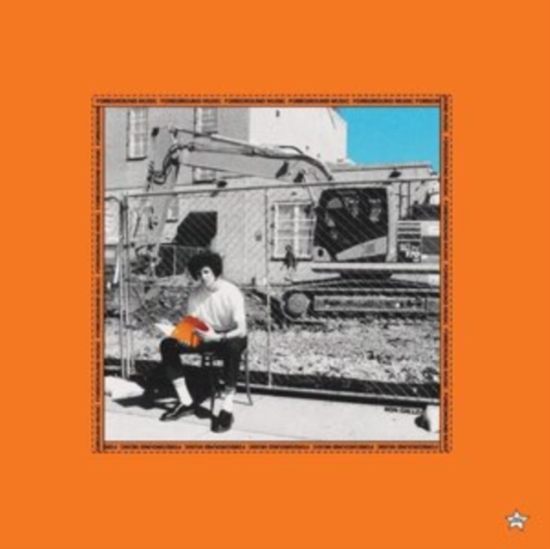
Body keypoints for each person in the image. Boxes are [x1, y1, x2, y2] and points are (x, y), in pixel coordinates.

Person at [157, 251, 247, 433]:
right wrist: (176, 330)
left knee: (233, 347)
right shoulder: (195, 294)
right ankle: (186, 402)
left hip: (229, 335)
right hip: (205, 335)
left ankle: (227, 408)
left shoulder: (232, 292)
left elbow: (242, 330)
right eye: (198, 273)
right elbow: (192, 324)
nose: (203, 277)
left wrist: (219, 337)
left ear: (215, 271)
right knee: (168, 344)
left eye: (206, 272)